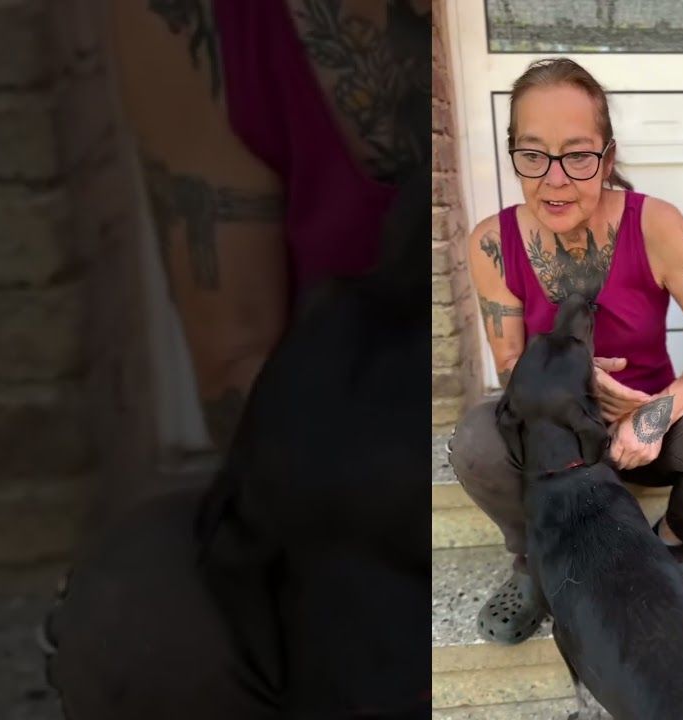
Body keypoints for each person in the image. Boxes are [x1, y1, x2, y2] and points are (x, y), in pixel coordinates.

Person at [41, 2, 428, 718]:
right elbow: (239, 370)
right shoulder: (195, 20)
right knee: (137, 614)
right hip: (356, 466)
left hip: (521, 441)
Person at [446, 57, 683, 644]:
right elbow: (509, 363)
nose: (554, 179)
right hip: (551, 434)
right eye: (532, 154)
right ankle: (534, 559)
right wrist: (575, 382)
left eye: (577, 155)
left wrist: (657, 412)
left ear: (608, 156)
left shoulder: (657, 224)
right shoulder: (492, 241)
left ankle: (676, 547)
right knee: (473, 441)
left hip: (649, 423)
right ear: (513, 153)